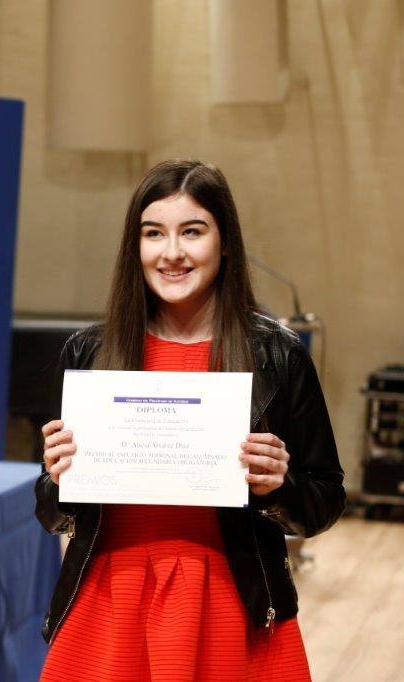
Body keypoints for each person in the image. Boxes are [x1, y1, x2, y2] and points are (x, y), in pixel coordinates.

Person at [36, 159, 345, 681]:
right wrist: (59, 479)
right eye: (153, 233)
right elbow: (49, 512)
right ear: (135, 247)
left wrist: (279, 488)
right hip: (110, 601)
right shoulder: (88, 352)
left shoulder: (278, 354)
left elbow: (324, 500)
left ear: (225, 244)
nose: (172, 252)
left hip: (232, 603)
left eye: (192, 232)